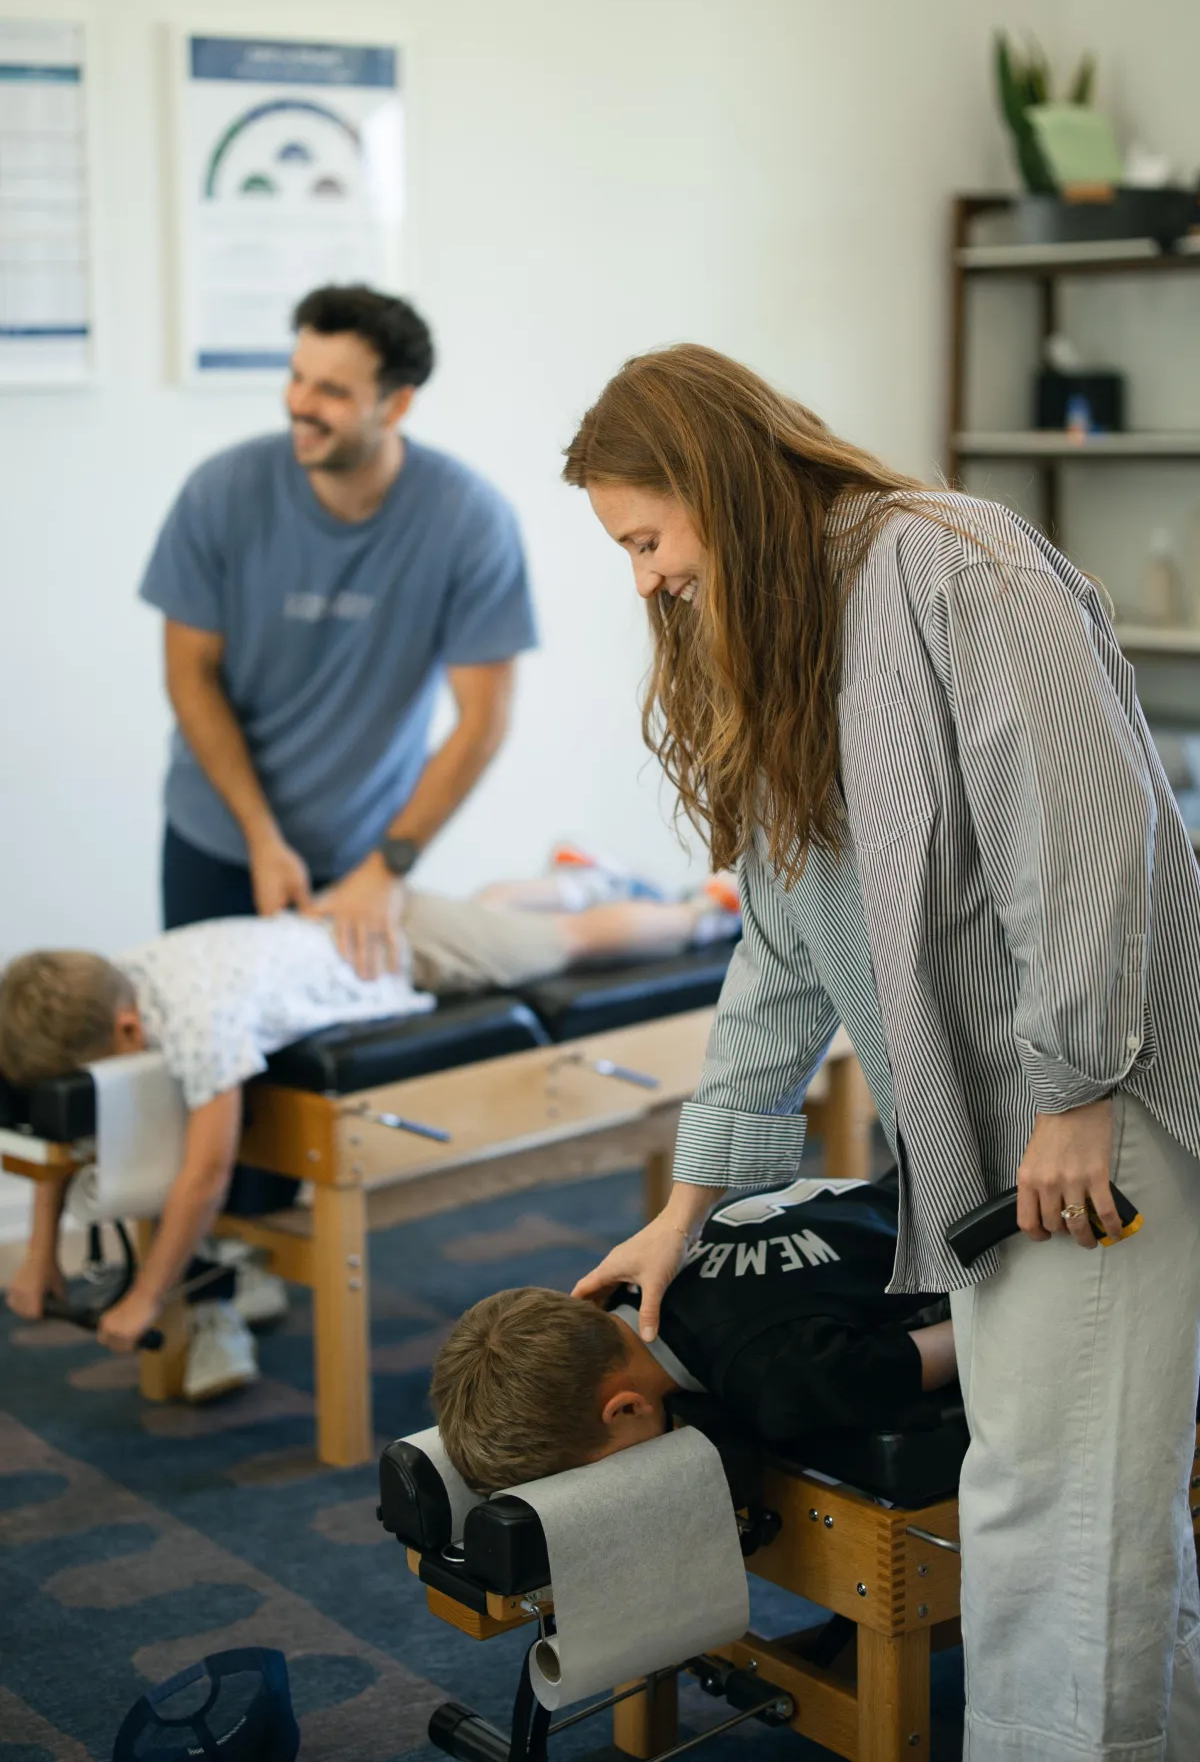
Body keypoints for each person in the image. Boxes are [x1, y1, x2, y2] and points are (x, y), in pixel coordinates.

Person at [561, 345, 1200, 1760]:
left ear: (717, 483)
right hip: (1003, 1119)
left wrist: (1081, 1088)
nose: (646, 578)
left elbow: (1088, 836)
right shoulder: (797, 636)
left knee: (1065, 1503)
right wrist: (690, 1205)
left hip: (1102, 1097)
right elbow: (784, 951)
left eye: (648, 538)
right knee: (1062, 1485)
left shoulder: (950, 569)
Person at [0, 856, 740, 1398]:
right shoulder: (114, 980)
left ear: (129, 1028)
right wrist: (41, 1258)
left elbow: (205, 1176)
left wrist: (145, 1298)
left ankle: (705, 909)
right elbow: (60, 1127)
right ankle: (562, 875)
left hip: (401, 946)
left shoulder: (199, 1021)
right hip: (341, 931)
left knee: (560, 945)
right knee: (493, 926)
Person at [141, 282, 536, 1222]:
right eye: (296, 376)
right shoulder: (223, 492)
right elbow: (189, 676)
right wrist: (259, 837)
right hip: (217, 832)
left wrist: (385, 867)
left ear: (396, 404)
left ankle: (311, 1259)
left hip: (363, 852)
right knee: (210, 1076)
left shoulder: (465, 519)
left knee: (327, 1089)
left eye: (331, 390)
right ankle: (218, 1292)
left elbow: (481, 720)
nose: (299, 405)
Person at [431, 1173, 958, 1494]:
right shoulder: (640, 1272)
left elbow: (959, 1343)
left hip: (990, 1241)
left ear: (625, 1408)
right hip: (921, 1186)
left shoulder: (778, 1381)